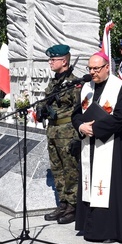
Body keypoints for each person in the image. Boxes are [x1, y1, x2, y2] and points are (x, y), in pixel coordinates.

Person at [71, 52, 122, 243]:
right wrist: (80, 126)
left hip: (111, 145)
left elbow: (119, 119)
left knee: (108, 188)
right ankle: (88, 226)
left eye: (96, 68)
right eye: (89, 68)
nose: (92, 72)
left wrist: (93, 129)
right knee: (89, 185)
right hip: (89, 144)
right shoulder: (86, 88)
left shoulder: (120, 88)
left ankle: (110, 231)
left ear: (107, 67)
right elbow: (76, 114)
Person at [39, 45, 83, 225]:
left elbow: (80, 109)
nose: (50, 62)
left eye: (53, 59)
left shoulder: (75, 83)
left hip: (67, 132)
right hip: (53, 132)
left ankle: (73, 205)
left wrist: (76, 136)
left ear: (64, 61)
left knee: (70, 170)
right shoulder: (54, 82)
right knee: (57, 169)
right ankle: (63, 202)